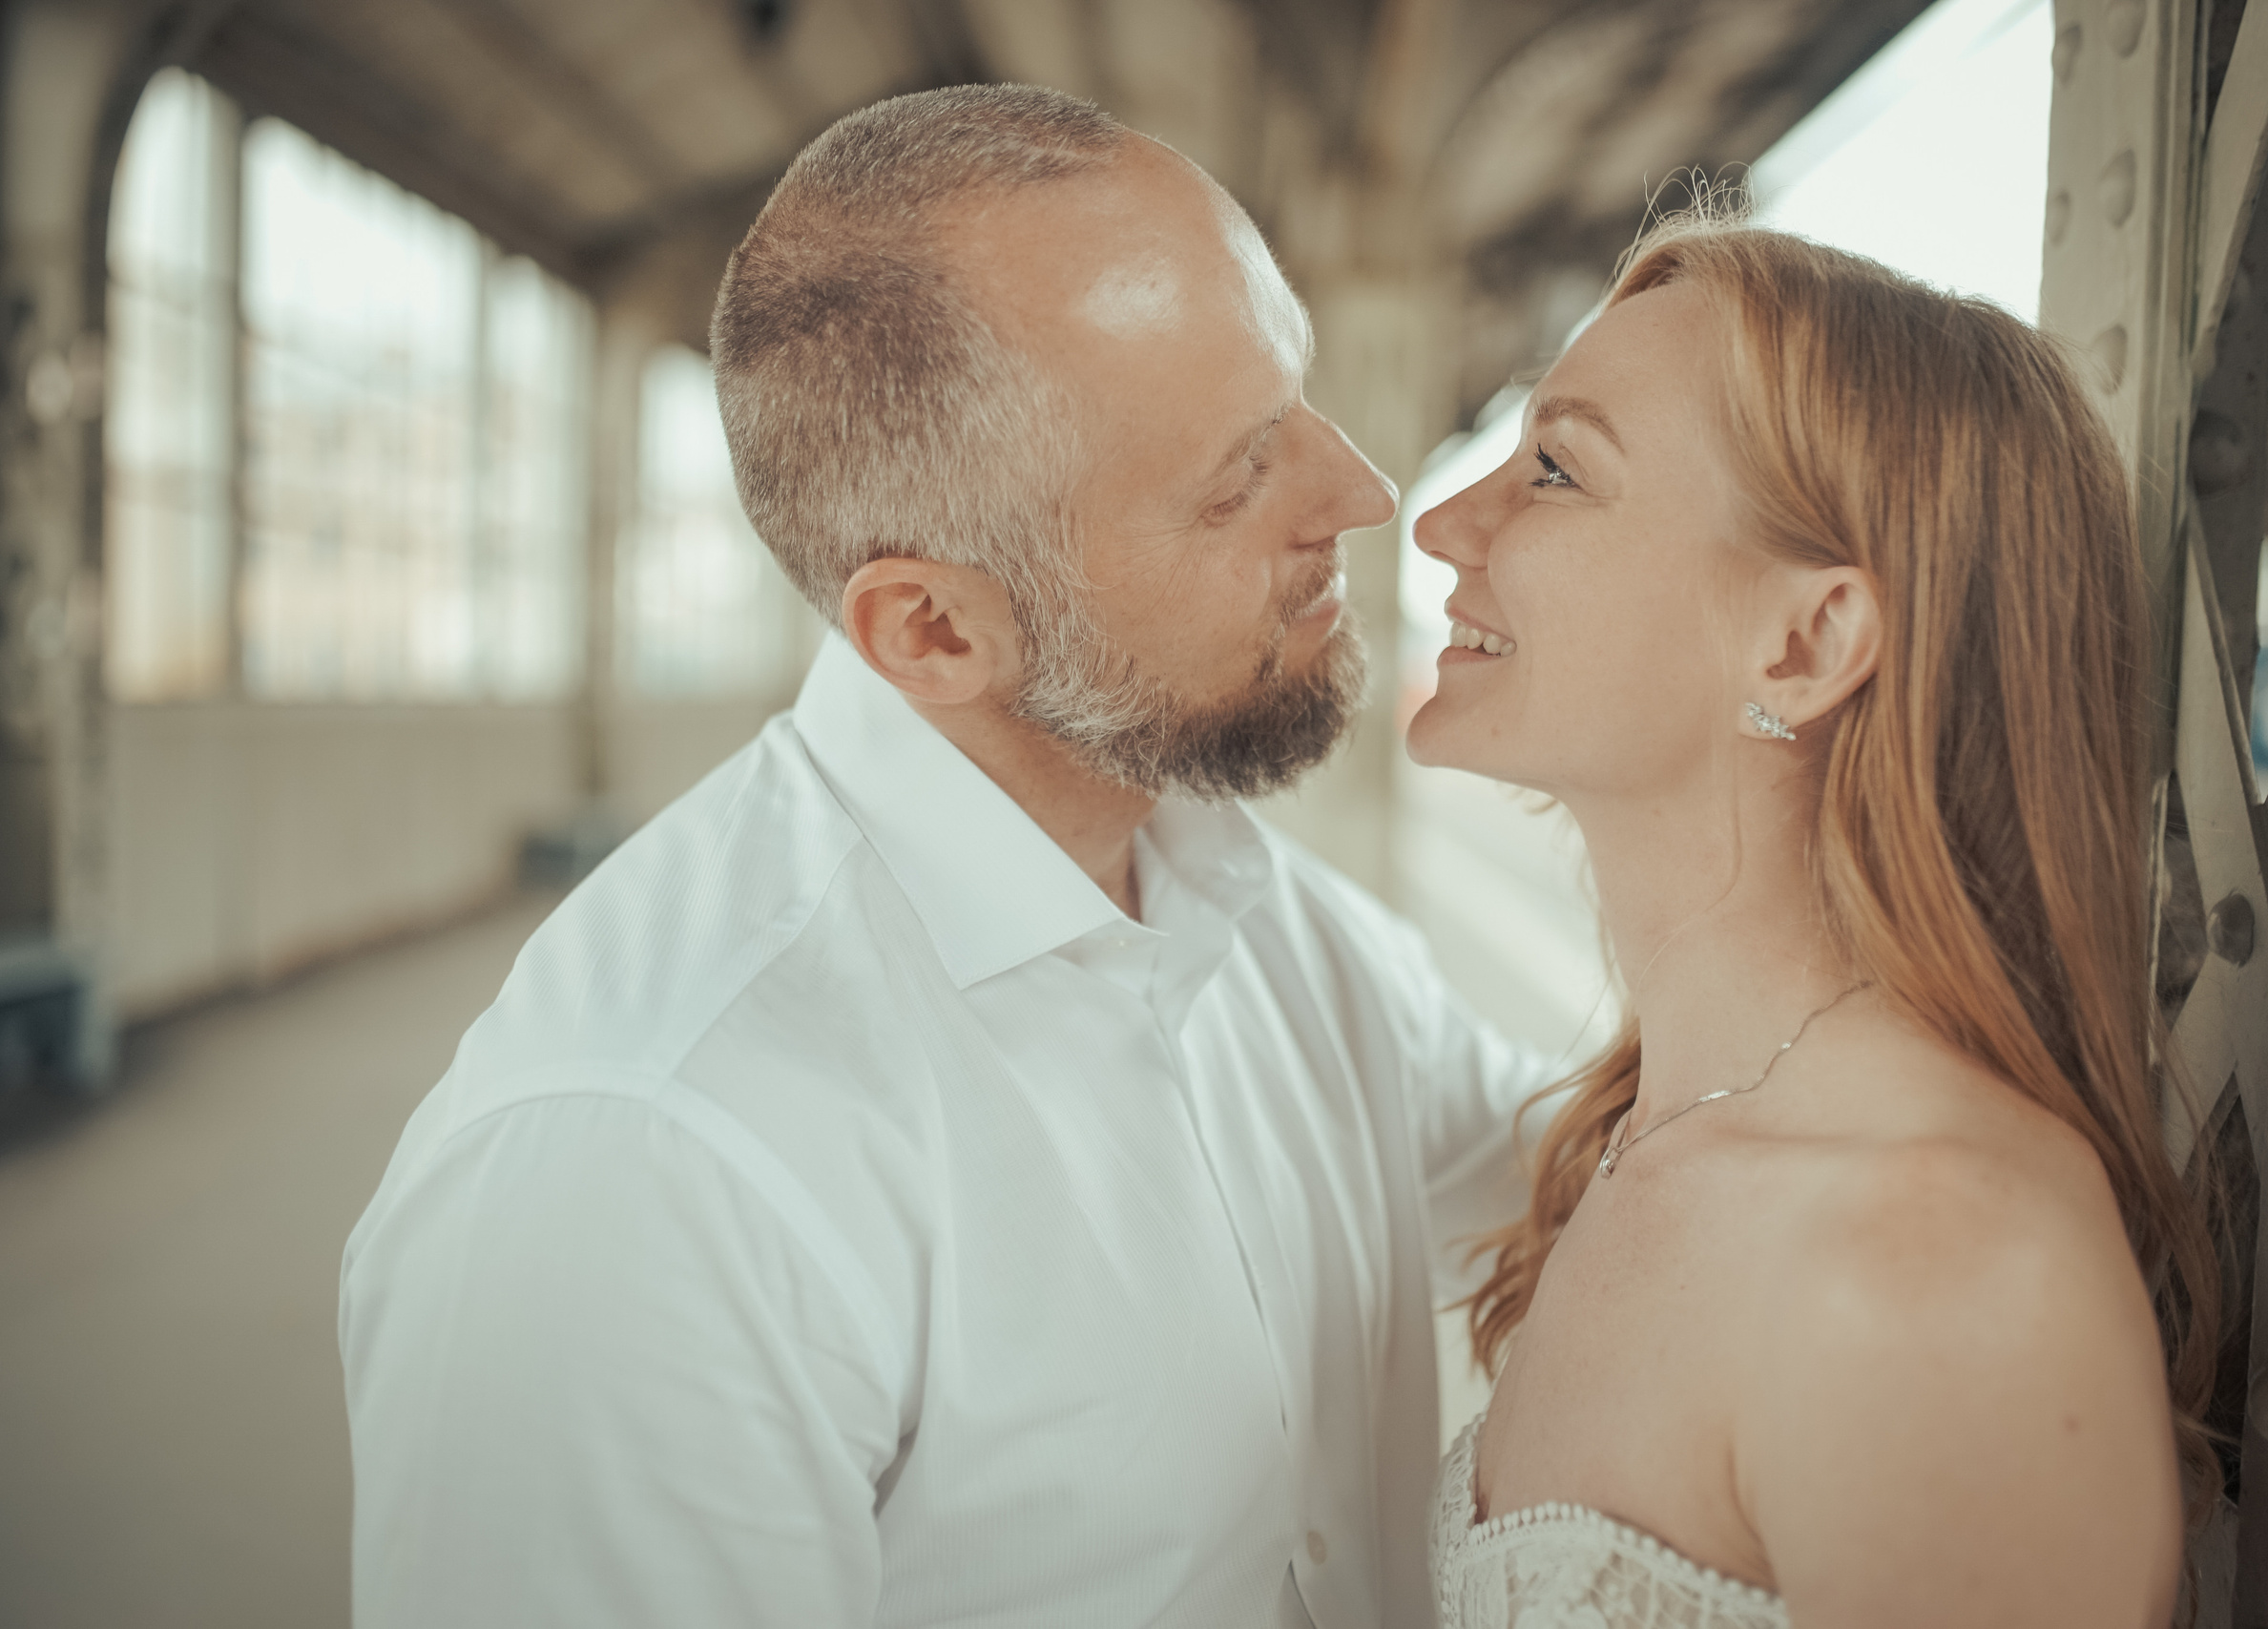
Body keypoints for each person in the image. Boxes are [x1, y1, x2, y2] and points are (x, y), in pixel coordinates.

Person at [339, 86, 1550, 1629]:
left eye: (1295, 397)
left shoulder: (1259, 911)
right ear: (934, 629)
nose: (1364, 496)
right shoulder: (643, 1164)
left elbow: (1593, 1175)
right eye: (1238, 477)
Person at [1410, 215, 2221, 1628]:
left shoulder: (1944, 1271)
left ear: (1806, 644)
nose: (1443, 524)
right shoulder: (1637, 1137)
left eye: (1555, 469)